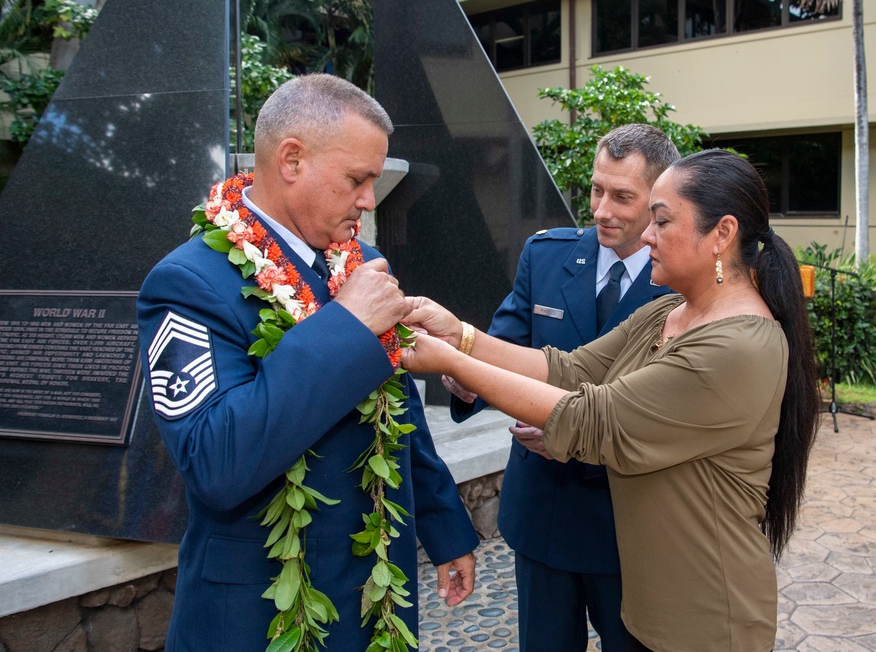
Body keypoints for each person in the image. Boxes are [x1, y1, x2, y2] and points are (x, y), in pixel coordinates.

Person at [401, 149, 819, 651]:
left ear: (723, 234)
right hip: (651, 605)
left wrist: (451, 363)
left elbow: (592, 417)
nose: (645, 235)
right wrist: (460, 335)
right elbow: (571, 368)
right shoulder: (669, 311)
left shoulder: (739, 346)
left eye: (660, 221)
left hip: (705, 614)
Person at [136, 74, 479, 651]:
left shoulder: (362, 262)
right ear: (291, 159)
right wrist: (346, 328)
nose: (370, 199)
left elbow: (397, 411)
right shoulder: (187, 282)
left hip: (372, 599)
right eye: (357, 179)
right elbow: (215, 460)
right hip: (259, 611)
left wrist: (445, 528)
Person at [445, 123, 680, 651]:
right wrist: (466, 384)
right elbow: (503, 348)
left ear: (659, 198)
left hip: (630, 526)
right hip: (544, 517)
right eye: (597, 190)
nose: (602, 210)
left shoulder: (681, 281)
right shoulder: (547, 256)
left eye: (623, 197)